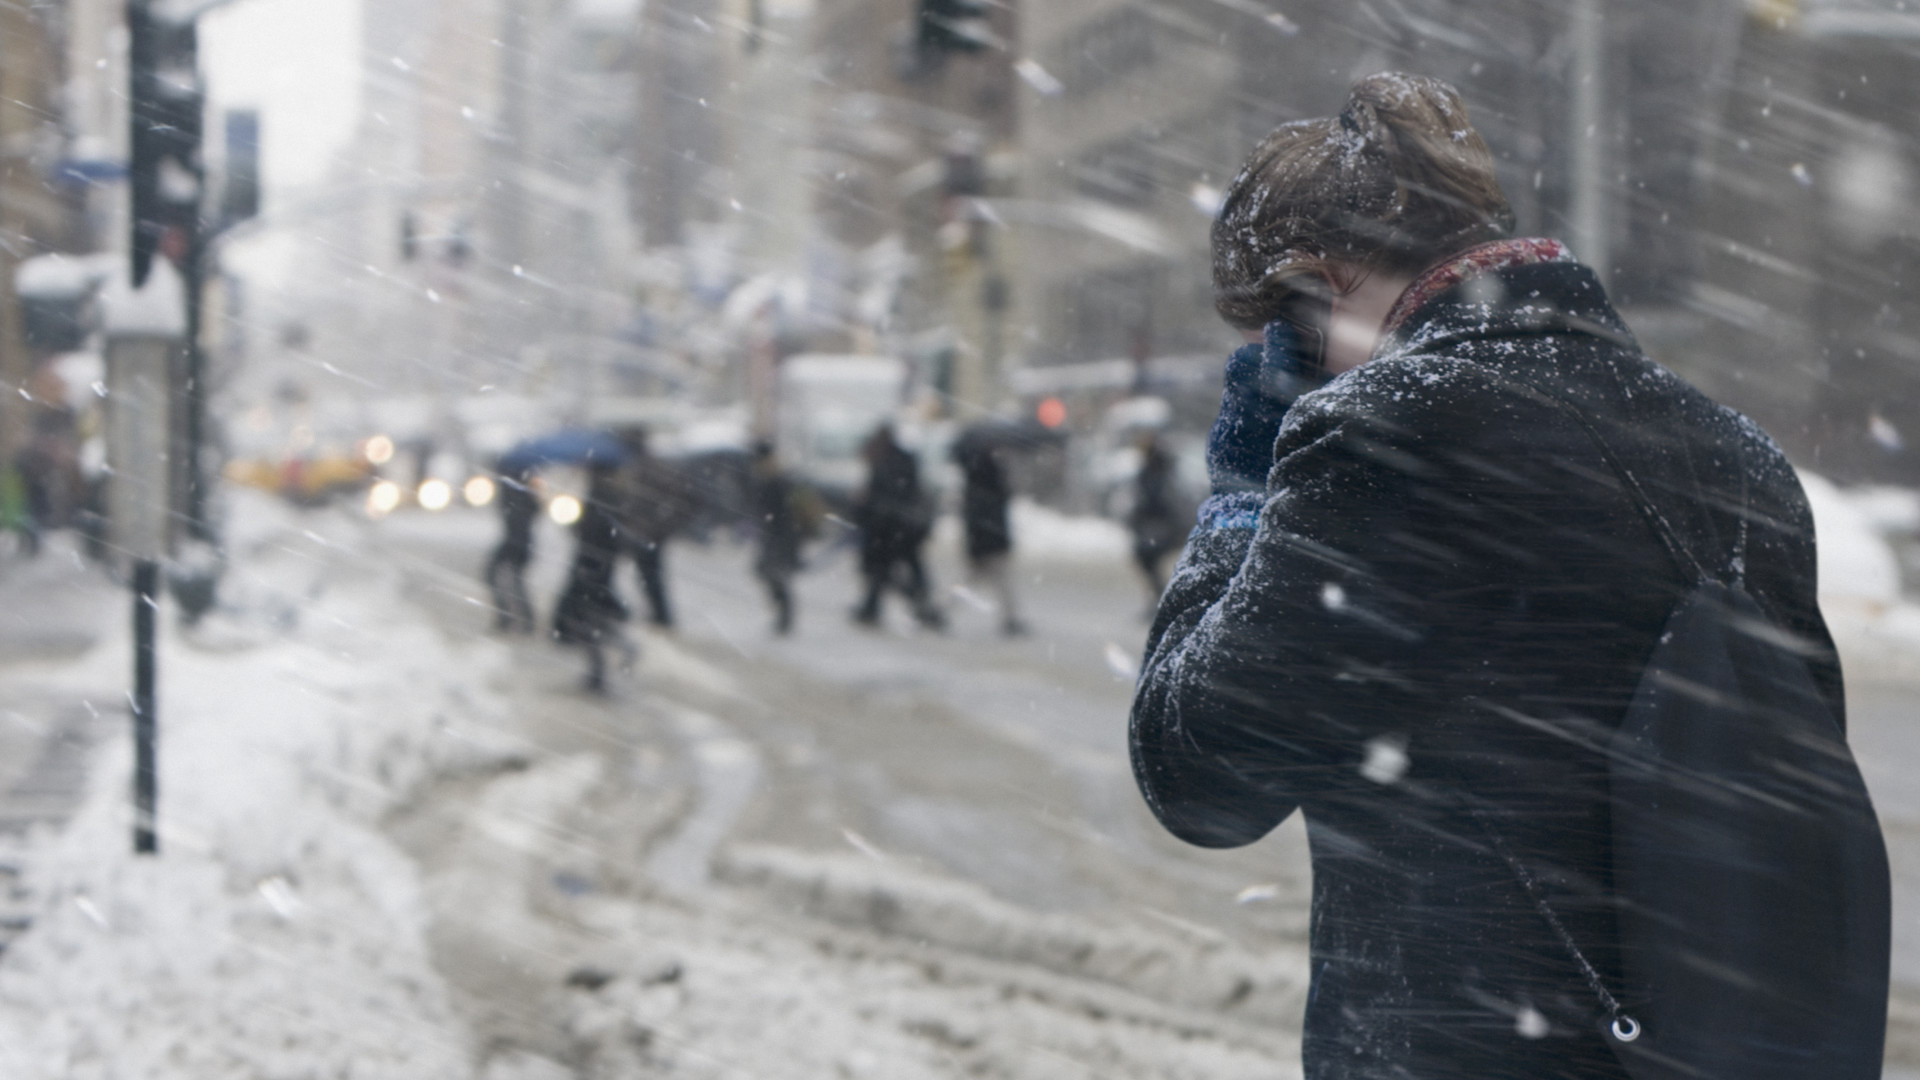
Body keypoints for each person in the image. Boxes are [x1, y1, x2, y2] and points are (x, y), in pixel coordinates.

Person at [1130, 73, 1847, 1079]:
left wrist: (1242, 490)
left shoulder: (1389, 436)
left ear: (1311, 292)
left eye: (1266, 331)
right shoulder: (1738, 457)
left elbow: (1197, 773)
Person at [851, 424, 943, 630]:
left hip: (888, 527)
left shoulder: (883, 462)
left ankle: (878, 608)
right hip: (903, 527)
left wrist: (864, 509)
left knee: (882, 571)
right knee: (902, 570)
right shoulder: (902, 459)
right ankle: (919, 606)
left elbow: (880, 496)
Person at [552, 464, 634, 693]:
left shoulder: (601, 496)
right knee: (593, 618)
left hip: (591, 566)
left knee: (587, 620)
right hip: (598, 567)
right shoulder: (609, 495)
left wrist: (575, 524)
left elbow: (592, 531)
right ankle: (601, 670)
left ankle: (602, 671)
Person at [609, 427, 694, 630]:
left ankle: (660, 617)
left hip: (646, 534)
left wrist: (661, 527)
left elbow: (687, 500)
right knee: (644, 576)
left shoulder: (647, 468)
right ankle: (655, 615)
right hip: (640, 532)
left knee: (648, 576)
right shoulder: (631, 467)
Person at [954, 442, 1024, 636]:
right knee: (999, 583)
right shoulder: (992, 485)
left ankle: (943, 610)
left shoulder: (974, 485)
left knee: (973, 582)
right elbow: (994, 517)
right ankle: (1011, 619)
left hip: (984, 543)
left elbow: (974, 520)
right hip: (992, 543)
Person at [748, 440, 813, 635]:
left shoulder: (774, 480)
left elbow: (779, 512)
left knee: (775, 576)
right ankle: (783, 616)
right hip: (780, 536)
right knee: (774, 576)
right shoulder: (777, 477)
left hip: (780, 537)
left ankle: (785, 617)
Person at [1124, 431, 1182, 603]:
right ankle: (1161, 600)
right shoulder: (1159, 469)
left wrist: (1141, 513)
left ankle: (1162, 601)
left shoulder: (1156, 471)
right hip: (1155, 524)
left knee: (1147, 559)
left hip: (1157, 525)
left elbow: (1156, 499)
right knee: (1148, 562)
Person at [484, 463, 538, 633]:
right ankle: (522, 620)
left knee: (496, 576)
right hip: (521, 542)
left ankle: (509, 618)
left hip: (516, 542)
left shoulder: (512, 491)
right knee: (514, 580)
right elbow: (533, 512)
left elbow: (517, 518)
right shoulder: (524, 490)